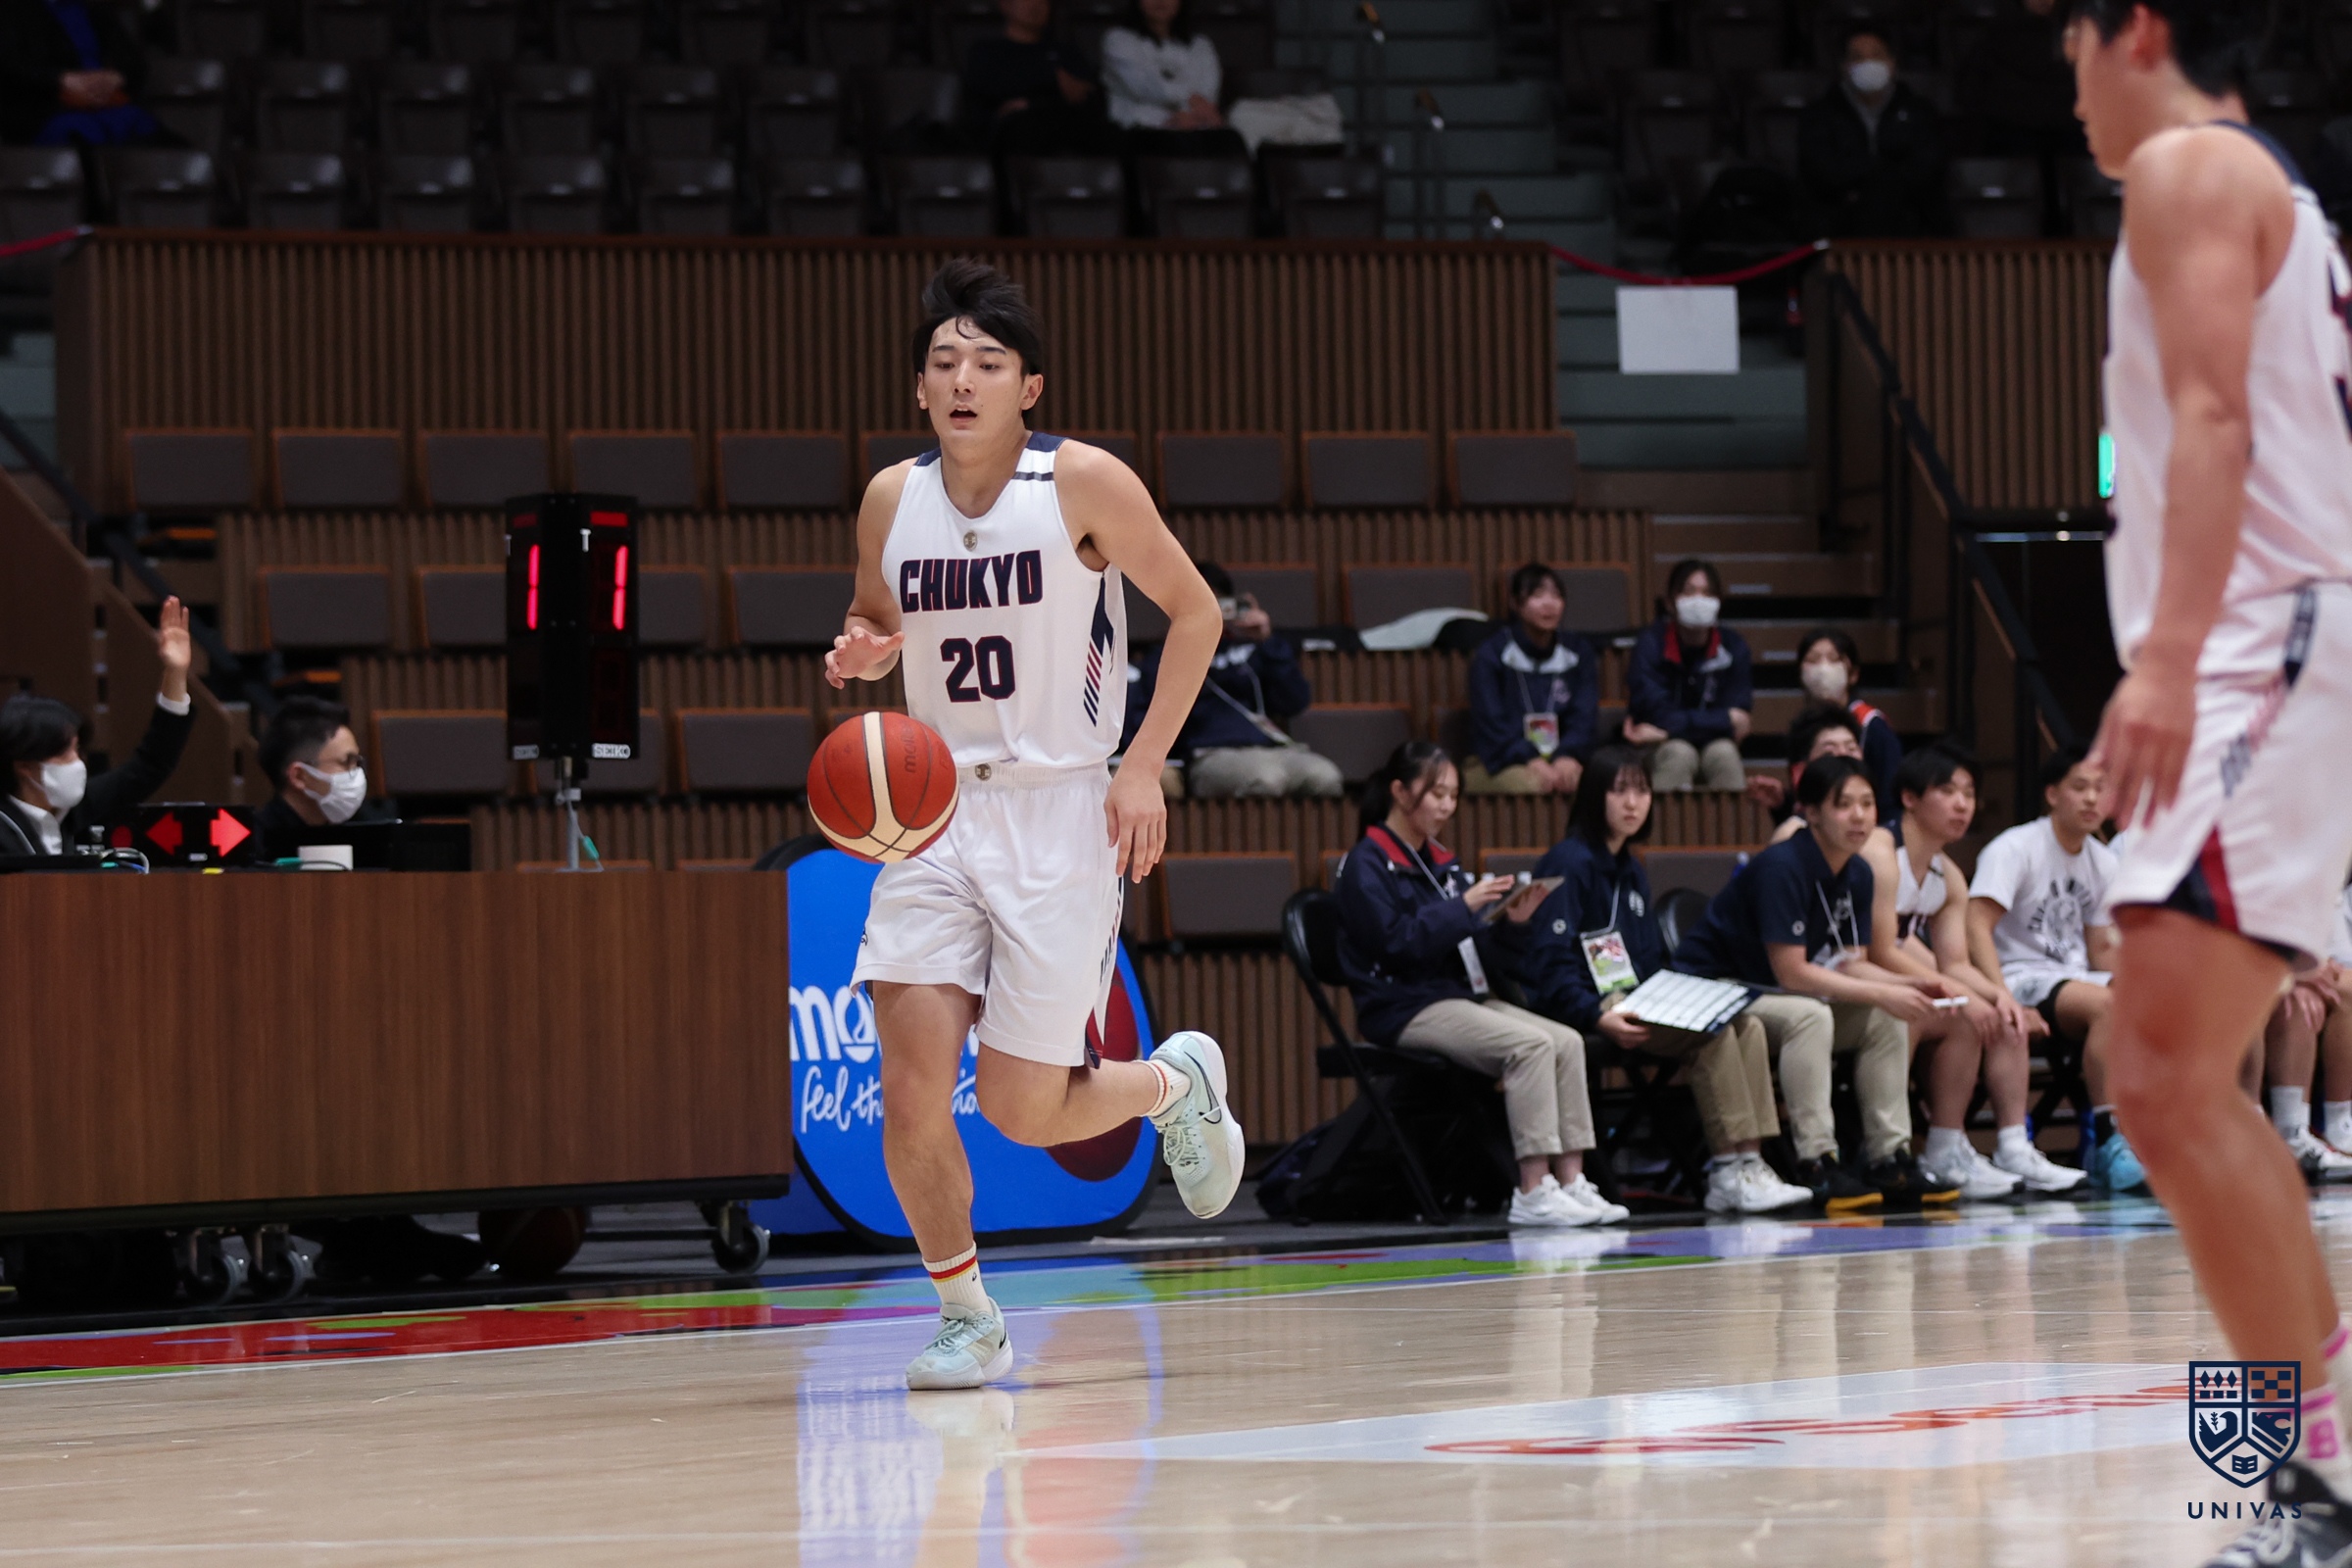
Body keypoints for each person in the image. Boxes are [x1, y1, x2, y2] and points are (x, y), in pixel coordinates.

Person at [824, 260, 1241, 1392]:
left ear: (1030, 387)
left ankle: (1173, 1085)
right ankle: (967, 1316)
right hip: (935, 817)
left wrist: (1142, 766)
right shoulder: (889, 499)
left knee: (1020, 1109)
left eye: (988, 363)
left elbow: (1195, 612)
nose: (964, 381)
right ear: (919, 389)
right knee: (910, 1089)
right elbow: (876, 617)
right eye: (944, 363)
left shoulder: (1083, 483)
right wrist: (865, 648)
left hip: (1062, 810)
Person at [2072, 0, 2352, 1540]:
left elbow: (2212, 413)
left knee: (2164, 1076)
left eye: (2069, 57)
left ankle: (2319, 1483)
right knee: (2167, 1079)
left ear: (2136, 30)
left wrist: (2171, 657)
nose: (2070, 100)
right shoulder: (2266, 187)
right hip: (2278, 636)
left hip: (2268, 636)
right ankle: (2316, 1475)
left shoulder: (2189, 166)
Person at [1501, 745, 1813, 1215]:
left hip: (1638, 999)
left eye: (1642, 791)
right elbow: (1549, 961)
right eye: (1619, 791)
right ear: (1594, 796)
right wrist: (1594, 1015)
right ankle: (1726, 1170)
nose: (1633, 803)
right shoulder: (1570, 861)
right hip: (1589, 1006)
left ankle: (1751, 1162)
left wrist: (1676, 997)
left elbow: (1646, 960)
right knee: (1713, 1036)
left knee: (1744, 1024)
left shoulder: (1631, 868)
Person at [1334, 741, 1629, 1229]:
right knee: (1531, 1046)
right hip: (1403, 1005)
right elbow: (1396, 945)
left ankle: (1573, 1180)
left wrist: (1514, 923)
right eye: (1437, 794)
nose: (1447, 806)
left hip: (1458, 995)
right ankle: (1532, 1189)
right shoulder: (1365, 864)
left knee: (1568, 1042)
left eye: (1453, 796)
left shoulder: (1441, 863)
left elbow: (1483, 954)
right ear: (1400, 792)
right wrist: (1464, 907)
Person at [1672, 757, 1957, 1213]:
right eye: (1843, 805)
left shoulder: (1858, 872)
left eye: (1867, 803)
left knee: (1884, 1016)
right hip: (1719, 990)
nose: (1859, 816)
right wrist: (1886, 991)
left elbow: (1852, 964)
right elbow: (1794, 973)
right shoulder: (1782, 866)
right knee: (1812, 1015)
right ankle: (1817, 1160)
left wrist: (1913, 985)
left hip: (1772, 995)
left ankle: (1889, 1156)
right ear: (1811, 812)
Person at [1863, 744, 2089, 1198]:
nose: (1962, 804)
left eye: (1969, 794)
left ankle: (1994, 1146)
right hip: (1855, 977)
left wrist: (2002, 995)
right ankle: (1888, 1152)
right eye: (1948, 791)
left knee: (1998, 1015)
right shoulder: (1880, 853)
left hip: (1894, 978)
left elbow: (1956, 963)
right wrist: (1956, 991)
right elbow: (1880, 951)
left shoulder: (1948, 876)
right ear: (1910, 798)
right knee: (1950, 1012)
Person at [1967, 746, 2135, 1192]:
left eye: (2101, 789)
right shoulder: (2015, 848)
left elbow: (2100, 949)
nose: (2092, 799)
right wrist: (2001, 996)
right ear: (2052, 794)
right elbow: (1976, 926)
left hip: (2071, 978)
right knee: (2109, 1006)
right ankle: (2110, 1139)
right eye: (2080, 787)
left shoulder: (2103, 861)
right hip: (2017, 976)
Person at [1131, 560, 1343, 799]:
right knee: (1265, 779)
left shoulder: (1253, 649)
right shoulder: (1163, 658)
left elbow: (1295, 701)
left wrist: (1266, 640)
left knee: (1324, 777)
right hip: (1210, 753)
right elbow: (1146, 720)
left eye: (1216, 602)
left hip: (1269, 748)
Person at [0, 598, 193, 858]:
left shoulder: (74, 811)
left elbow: (150, 765)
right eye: (65, 754)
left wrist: (176, 673)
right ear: (24, 765)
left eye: (77, 750)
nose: (77, 763)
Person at [1798, 24, 1950, 237]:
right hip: (1840, 226)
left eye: (1876, 55)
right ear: (1844, 66)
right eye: (1858, 57)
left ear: (1892, 63)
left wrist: (1877, 186)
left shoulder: (1919, 111)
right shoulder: (1820, 115)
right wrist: (1876, 179)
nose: (1868, 63)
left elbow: (1928, 169)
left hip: (1910, 225)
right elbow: (1822, 173)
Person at [1462, 563, 1600, 797]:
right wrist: (1530, 758)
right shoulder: (1492, 655)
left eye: (1556, 595)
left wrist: (1566, 756)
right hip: (1501, 759)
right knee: (1533, 785)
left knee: (1594, 785)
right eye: (1537, 595)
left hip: (1562, 757)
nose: (1549, 603)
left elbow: (1584, 717)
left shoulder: (1578, 652)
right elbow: (1491, 723)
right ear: (1515, 603)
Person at [1625, 558, 1751, 792]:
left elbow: (1740, 721)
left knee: (1725, 754)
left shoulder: (1734, 646)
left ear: (1719, 602)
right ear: (1670, 602)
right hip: (1661, 748)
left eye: (1707, 593)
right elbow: (1656, 713)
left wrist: (1667, 731)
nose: (1698, 600)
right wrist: (1722, 719)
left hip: (1707, 742)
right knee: (1679, 754)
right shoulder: (1650, 645)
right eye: (1689, 592)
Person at [963, 0, 1120, 159]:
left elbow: (1088, 94)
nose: (1035, 5)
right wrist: (1053, 81)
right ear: (1005, 4)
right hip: (1011, 138)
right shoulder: (986, 52)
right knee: (1024, 125)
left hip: (1065, 129)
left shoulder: (1066, 53)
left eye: (1043, 1)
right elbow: (991, 90)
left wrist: (1032, 103)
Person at [0, 0, 163, 147]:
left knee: (141, 124)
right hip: (47, 111)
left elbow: (134, 62)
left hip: (108, 104)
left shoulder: (94, 9)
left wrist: (114, 78)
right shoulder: (12, 10)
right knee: (86, 132)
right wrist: (62, 80)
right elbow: (12, 67)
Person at [253, 696, 395, 860]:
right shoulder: (255, 846)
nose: (356, 773)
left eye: (356, 762)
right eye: (347, 762)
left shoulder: (367, 835)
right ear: (299, 776)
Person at [1100, 0, 1246, 158]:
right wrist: (1185, 104)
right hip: (1140, 130)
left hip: (1195, 127)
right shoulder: (1118, 40)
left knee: (1230, 140)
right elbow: (1145, 87)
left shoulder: (1200, 45)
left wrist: (1188, 115)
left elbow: (1206, 95)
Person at [1795, 626, 1901, 817]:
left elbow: (1889, 798)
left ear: (1853, 674)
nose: (1823, 669)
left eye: (1834, 659)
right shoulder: (1803, 726)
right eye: (1812, 660)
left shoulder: (1872, 725)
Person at [1750, 702, 1866, 825]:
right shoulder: (1794, 828)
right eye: (1829, 753)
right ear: (1800, 771)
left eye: (1851, 749)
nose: (1844, 757)